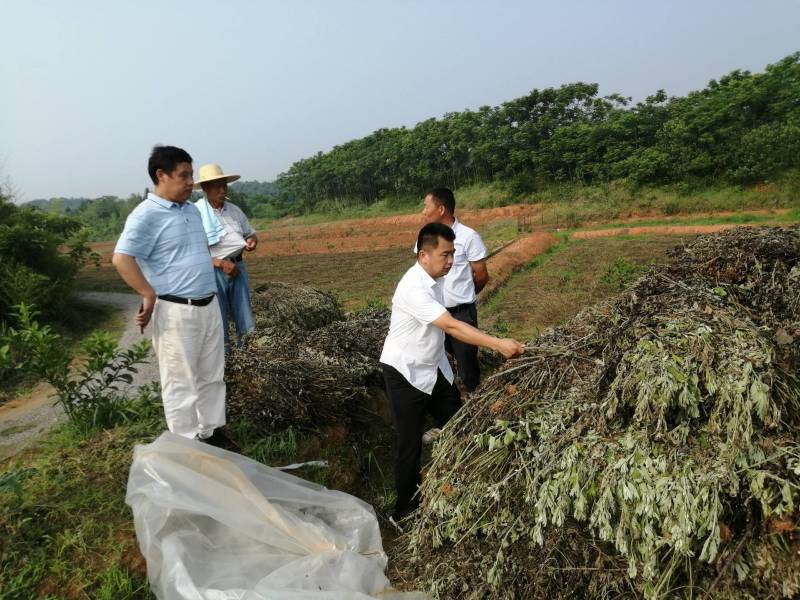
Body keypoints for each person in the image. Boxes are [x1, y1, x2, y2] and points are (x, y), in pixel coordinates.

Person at [380, 222, 524, 524]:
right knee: (410, 444)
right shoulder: (413, 287)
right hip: (405, 372)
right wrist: (497, 344)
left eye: (452, 254)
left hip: (433, 368)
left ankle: (468, 482)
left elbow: (438, 326)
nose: (450, 261)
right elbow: (451, 325)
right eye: (445, 254)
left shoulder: (436, 279)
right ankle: (404, 511)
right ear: (423, 256)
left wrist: (442, 350)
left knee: (461, 423)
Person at [112, 145, 231, 448]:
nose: (191, 182)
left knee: (212, 375)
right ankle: (187, 445)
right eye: (184, 176)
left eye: (191, 175)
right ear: (161, 175)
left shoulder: (190, 210)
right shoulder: (145, 215)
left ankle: (212, 432)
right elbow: (122, 258)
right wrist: (147, 293)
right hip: (177, 310)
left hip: (208, 304)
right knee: (181, 382)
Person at [421, 187, 488, 392]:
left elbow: (482, 275)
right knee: (441, 364)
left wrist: (464, 298)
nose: (423, 212)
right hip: (435, 314)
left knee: (467, 367)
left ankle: (474, 403)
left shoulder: (468, 236)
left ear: (441, 209)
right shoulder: (426, 237)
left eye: (426, 206)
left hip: (461, 314)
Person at [194, 163, 258, 352]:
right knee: (218, 320)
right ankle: (225, 365)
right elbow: (193, 252)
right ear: (205, 188)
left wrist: (252, 241)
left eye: (224, 185)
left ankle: (249, 357)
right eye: (217, 186)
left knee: (245, 317)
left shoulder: (234, 210)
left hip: (238, 267)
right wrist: (220, 263)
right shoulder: (196, 213)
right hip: (213, 272)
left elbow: (250, 233)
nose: (222, 190)